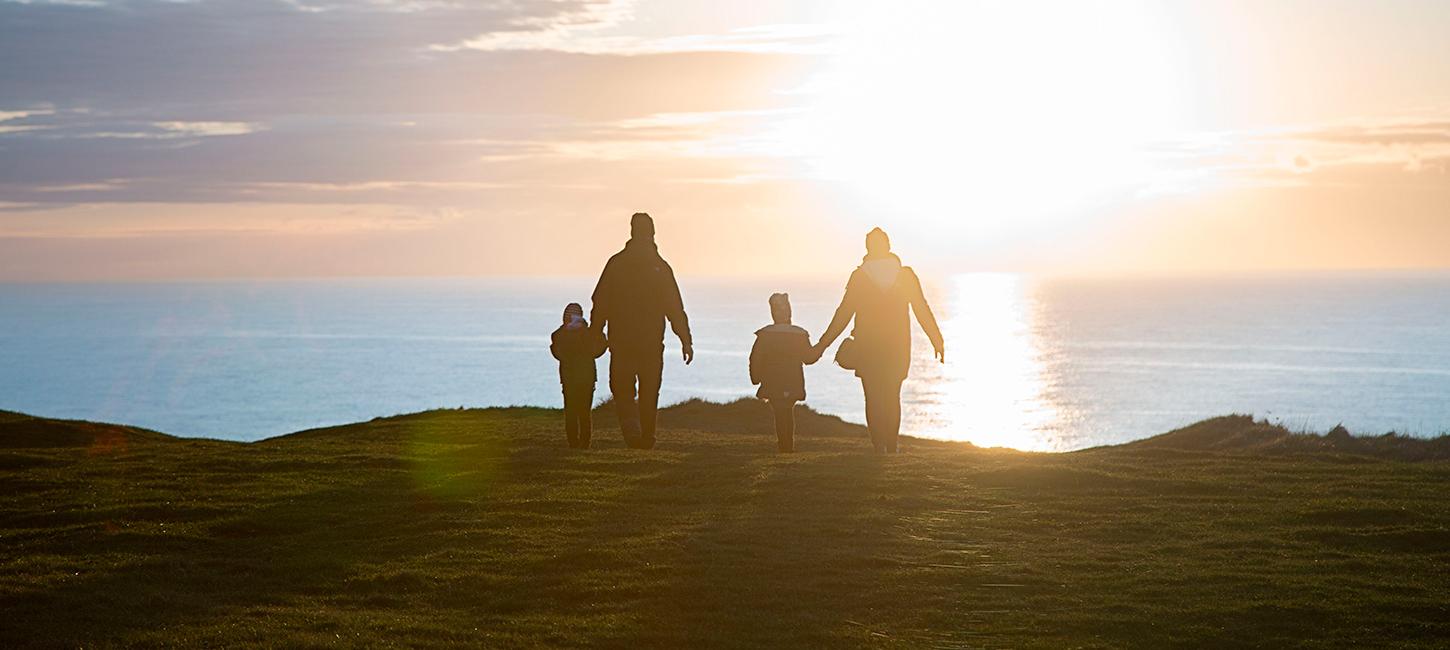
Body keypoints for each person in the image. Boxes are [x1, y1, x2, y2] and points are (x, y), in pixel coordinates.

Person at [812, 228, 944, 454]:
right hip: (897, 347)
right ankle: (892, 447)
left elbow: (843, 314)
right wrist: (937, 340)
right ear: (889, 247)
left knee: (872, 397)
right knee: (892, 396)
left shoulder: (859, 277)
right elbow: (921, 308)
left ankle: (879, 447)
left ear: (867, 249)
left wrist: (821, 346)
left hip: (868, 347)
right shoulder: (906, 275)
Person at [590, 212, 693, 449]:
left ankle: (632, 431)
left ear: (632, 232)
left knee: (622, 389)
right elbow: (675, 308)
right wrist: (685, 339)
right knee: (650, 391)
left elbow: (601, 301)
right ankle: (647, 437)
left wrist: (596, 332)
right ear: (653, 233)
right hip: (651, 343)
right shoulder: (661, 267)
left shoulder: (616, 263)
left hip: (622, 341)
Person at [749, 293, 821, 452]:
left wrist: (756, 377)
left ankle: (785, 446)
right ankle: (787, 447)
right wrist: (822, 347)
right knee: (787, 411)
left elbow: (756, 358)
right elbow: (809, 358)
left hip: (772, 381)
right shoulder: (799, 335)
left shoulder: (765, 335)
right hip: (793, 381)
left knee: (780, 412)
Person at [550, 303, 607, 449]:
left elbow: (558, 353)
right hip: (585, 377)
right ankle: (582, 443)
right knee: (583, 412)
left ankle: (575, 443)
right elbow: (598, 350)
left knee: (572, 411)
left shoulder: (560, 334)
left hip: (571, 377)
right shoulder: (586, 333)